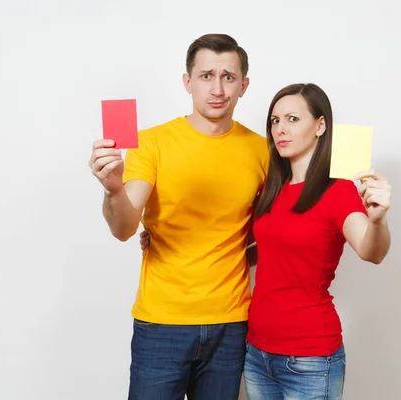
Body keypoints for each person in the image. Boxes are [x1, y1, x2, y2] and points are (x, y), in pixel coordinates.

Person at [140, 82, 392, 399]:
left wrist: (378, 220)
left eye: (292, 119)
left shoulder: (337, 190)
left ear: (320, 125)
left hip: (310, 358)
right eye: (274, 120)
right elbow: (256, 247)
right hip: (257, 352)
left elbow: (372, 251)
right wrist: (168, 235)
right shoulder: (272, 188)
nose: (280, 129)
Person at [88, 33, 268, 400]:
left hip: (230, 322)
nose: (217, 88)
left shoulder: (261, 150)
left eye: (228, 77)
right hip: (162, 322)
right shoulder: (152, 142)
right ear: (187, 82)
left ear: (244, 85)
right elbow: (124, 227)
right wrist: (112, 190)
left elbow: (269, 231)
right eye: (205, 76)